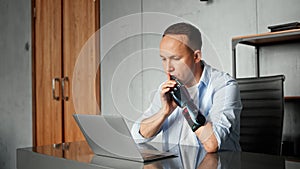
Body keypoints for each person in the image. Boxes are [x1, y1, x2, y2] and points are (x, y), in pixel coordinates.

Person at [131, 22, 242, 153]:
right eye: (164, 59)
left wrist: (185, 104)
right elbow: (137, 136)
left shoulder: (224, 86)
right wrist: (164, 112)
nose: (168, 68)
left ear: (196, 56)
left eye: (175, 58)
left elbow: (213, 144)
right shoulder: (167, 88)